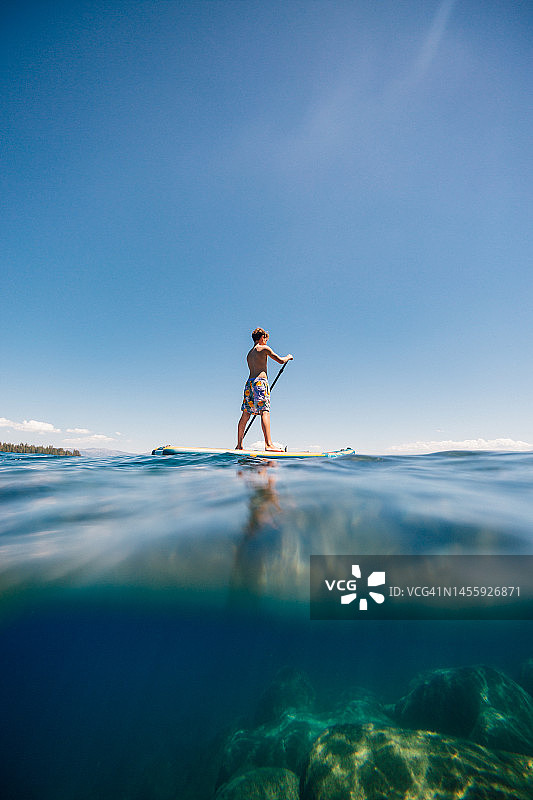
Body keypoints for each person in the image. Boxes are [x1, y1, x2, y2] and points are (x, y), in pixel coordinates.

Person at [236, 328, 293, 451]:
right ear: (262, 338)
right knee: (264, 411)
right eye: (266, 339)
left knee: (245, 414)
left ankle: (239, 445)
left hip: (249, 384)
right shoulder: (264, 349)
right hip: (260, 383)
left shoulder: (249, 354)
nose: (266, 341)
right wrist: (288, 357)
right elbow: (280, 361)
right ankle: (268, 444)